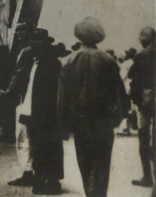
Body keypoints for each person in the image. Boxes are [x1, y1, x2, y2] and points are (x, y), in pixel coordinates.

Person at [58, 17, 126, 197]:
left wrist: (64, 125)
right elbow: (118, 94)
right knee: (101, 167)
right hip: (102, 123)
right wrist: (117, 119)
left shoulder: (68, 61)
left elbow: (63, 98)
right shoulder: (109, 61)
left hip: (80, 123)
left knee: (85, 166)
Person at [0, 22, 36, 186]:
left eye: (21, 31)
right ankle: (33, 170)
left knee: (23, 136)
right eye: (16, 31)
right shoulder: (33, 51)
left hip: (25, 99)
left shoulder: (26, 52)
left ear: (28, 33)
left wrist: (7, 92)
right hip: (31, 98)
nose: (18, 35)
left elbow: (18, 75)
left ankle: (27, 172)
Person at [24, 29, 63, 195]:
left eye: (35, 44)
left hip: (47, 114)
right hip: (38, 113)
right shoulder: (39, 62)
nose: (33, 47)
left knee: (47, 147)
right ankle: (44, 179)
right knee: (41, 147)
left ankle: (50, 180)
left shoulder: (51, 64)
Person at [128, 27, 156, 188]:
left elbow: (133, 76)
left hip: (145, 103)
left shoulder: (141, 55)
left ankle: (147, 176)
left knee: (144, 139)